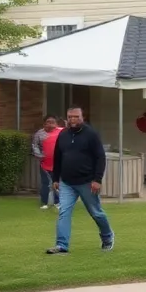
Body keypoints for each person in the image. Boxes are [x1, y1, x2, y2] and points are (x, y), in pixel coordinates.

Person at [48, 105, 114, 254]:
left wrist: (97, 179)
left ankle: (107, 237)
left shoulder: (91, 134)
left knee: (96, 213)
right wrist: (55, 178)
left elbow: (100, 157)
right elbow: (58, 157)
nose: (73, 119)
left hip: (87, 182)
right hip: (66, 183)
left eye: (76, 117)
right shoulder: (63, 134)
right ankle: (61, 245)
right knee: (63, 212)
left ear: (82, 117)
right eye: (70, 116)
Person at [32, 115, 62, 210]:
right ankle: (44, 202)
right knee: (45, 183)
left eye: (52, 122)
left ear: (56, 124)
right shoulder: (39, 134)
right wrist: (40, 156)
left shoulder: (61, 132)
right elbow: (35, 146)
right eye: (48, 122)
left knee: (57, 183)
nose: (50, 124)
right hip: (45, 164)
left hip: (58, 164)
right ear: (44, 124)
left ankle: (58, 202)